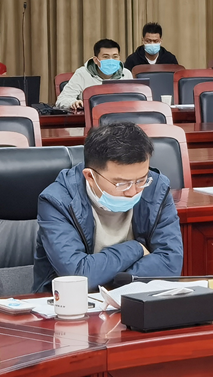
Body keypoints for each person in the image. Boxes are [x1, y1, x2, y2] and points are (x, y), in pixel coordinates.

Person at [33, 121, 183, 291]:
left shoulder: (156, 188)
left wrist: (106, 279)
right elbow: (77, 275)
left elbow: (171, 264)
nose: (133, 191)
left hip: (136, 298)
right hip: (70, 302)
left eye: (141, 180)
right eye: (122, 184)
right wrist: (136, 248)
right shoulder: (57, 201)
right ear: (90, 177)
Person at [55, 38, 134, 110]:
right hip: (90, 117)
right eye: (106, 57)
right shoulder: (82, 73)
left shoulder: (126, 74)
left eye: (115, 56)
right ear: (96, 60)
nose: (111, 60)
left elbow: (134, 99)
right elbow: (62, 100)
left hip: (120, 117)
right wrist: (73, 103)